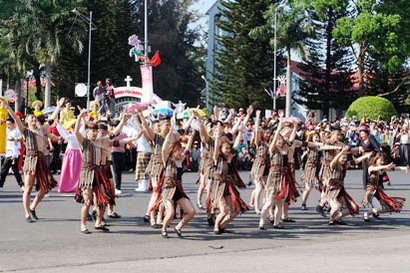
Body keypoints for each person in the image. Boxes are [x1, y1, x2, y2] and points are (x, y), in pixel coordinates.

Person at [1, 97, 63, 222]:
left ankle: (33, 206)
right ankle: (27, 213)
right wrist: (8, 108)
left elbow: (50, 120)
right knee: (28, 187)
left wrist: (58, 107)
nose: (34, 119)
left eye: (34, 118)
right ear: (27, 121)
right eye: (31, 118)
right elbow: (17, 119)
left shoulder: (42, 129)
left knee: (45, 187)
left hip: (41, 159)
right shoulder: (25, 131)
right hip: (30, 159)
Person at [160, 122, 196, 238]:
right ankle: (164, 229)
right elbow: (164, 148)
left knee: (191, 211)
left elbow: (188, 149)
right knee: (170, 213)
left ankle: (178, 227)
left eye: (180, 150)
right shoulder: (168, 160)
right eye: (177, 151)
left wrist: (191, 137)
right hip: (168, 190)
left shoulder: (180, 160)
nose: (180, 152)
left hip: (178, 190)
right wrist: (170, 134)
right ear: (172, 151)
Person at [364, 153, 407, 221]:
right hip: (371, 192)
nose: (382, 162)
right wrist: (385, 166)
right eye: (381, 160)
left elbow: (394, 168)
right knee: (378, 208)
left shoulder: (382, 169)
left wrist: (404, 168)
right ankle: (366, 214)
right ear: (376, 159)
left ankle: (375, 212)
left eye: (383, 161)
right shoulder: (371, 168)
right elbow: (376, 168)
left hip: (378, 192)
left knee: (390, 208)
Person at [326, 146, 360, 225]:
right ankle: (331, 219)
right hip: (332, 191)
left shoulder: (344, 165)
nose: (344, 159)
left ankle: (337, 218)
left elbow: (356, 161)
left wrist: (366, 156)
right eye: (342, 158)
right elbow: (334, 161)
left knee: (353, 208)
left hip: (341, 191)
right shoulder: (333, 165)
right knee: (336, 207)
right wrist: (341, 152)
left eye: (345, 158)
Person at [0, 118, 24, 191]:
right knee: (15, 170)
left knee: (4, 169)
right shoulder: (6, 130)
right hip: (8, 152)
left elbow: (16, 143)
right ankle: (21, 185)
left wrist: (14, 155)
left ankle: (1, 185)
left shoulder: (16, 131)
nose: (8, 126)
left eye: (9, 124)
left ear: (14, 124)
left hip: (14, 153)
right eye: (7, 124)